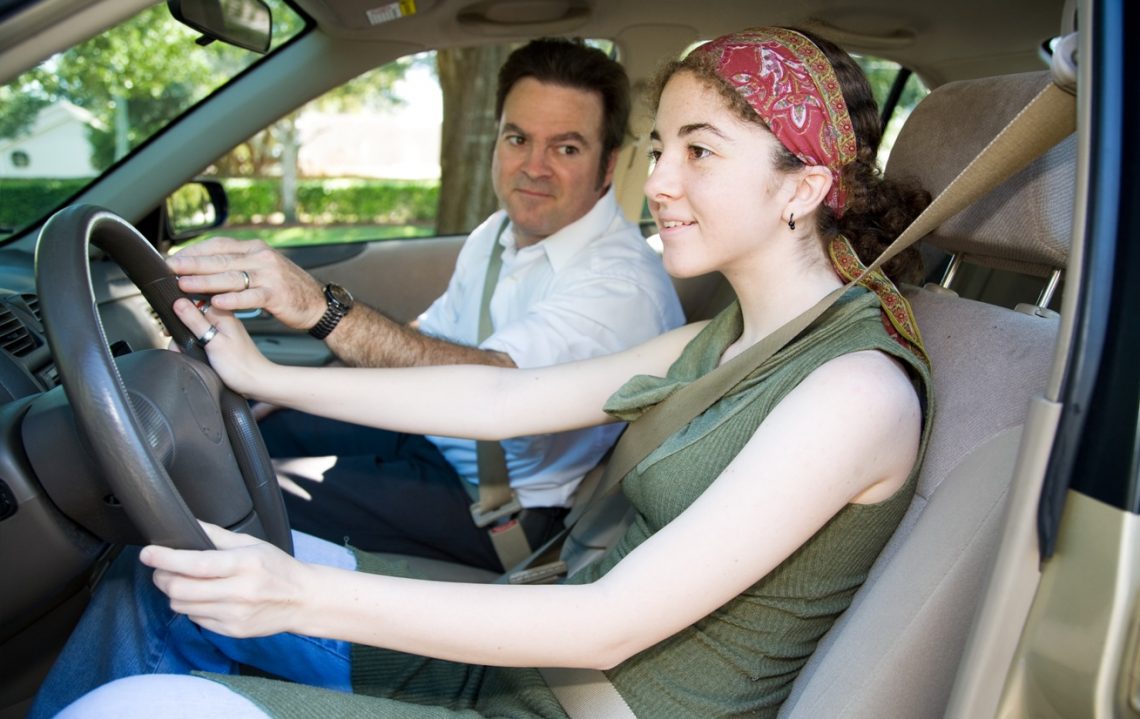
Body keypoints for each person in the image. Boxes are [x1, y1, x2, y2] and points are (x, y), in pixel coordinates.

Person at [34, 26, 934, 718]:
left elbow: (608, 623)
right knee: (165, 575)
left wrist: (295, 593)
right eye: (660, 148)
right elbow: (503, 396)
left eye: (698, 151)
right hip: (533, 651)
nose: (659, 181)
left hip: (573, 687)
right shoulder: (728, 336)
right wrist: (267, 375)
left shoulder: (855, 389)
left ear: (802, 187)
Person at [167, 38, 685, 571]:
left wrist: (317, 312)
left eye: (566, 148)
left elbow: (499, 388)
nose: (534, 167)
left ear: (608, 166)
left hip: (496, 505)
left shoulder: (621, 286)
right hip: (429, 433)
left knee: (237, 497)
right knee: (244, 437)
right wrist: (300, 391)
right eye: (518, 138)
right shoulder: (497, 235)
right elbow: (428, 335)